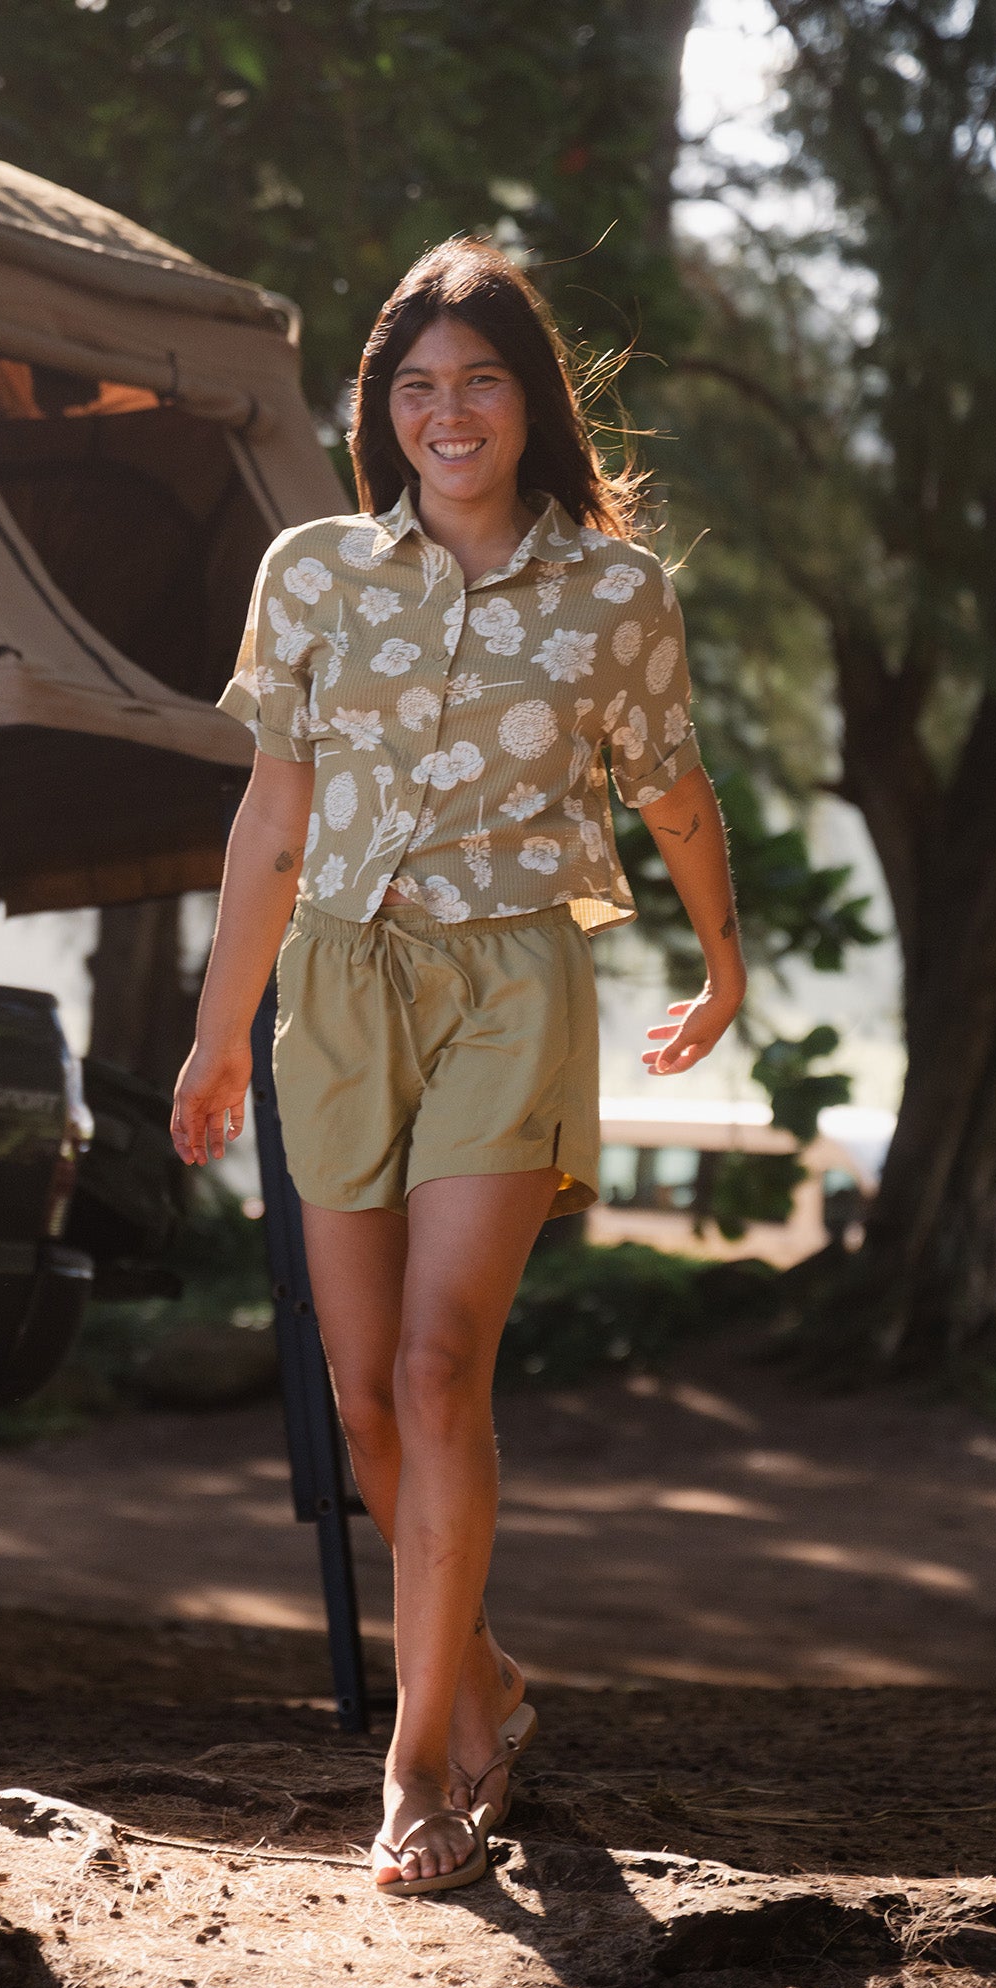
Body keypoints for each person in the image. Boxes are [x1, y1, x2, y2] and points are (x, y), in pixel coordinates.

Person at [172, 240, 745, 1896]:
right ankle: (479, 1677)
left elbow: (676, 791)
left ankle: (417, 1765)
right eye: (416, 387)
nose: (447, 413)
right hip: (335, 991)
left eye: (478, 380)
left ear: (529, 400)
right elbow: (273, 820)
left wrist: (722, 963)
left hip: (512, 982)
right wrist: (218, 1035)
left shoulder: (618, 597)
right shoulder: (315, 574)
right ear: (385, 410)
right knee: (360, 1394)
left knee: (437, 1372)